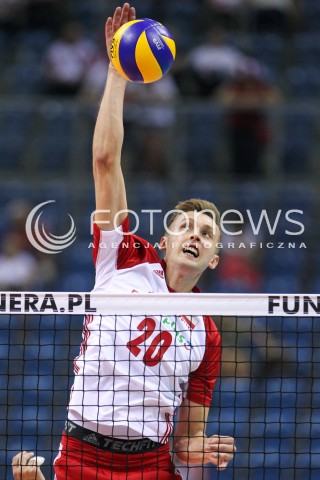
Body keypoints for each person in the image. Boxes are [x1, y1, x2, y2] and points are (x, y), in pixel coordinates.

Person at [52, 4, 236, 479]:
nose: (195, 235)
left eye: (207, 234)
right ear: (165, 238)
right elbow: (105, 160)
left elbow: (187, 443)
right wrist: (117, 71)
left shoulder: (207, 334)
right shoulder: (124, 258)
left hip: (151, 466)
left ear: (213, 258)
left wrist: (203, 450)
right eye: (187, 226)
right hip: (81, 456)